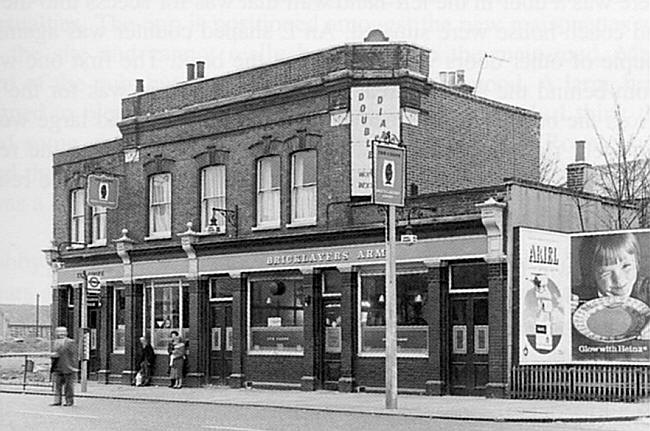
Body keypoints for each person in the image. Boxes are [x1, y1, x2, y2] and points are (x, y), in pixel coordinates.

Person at [572, 233, 650, 338]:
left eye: (626, 266)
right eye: (606, 273)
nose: (619, 280)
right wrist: (566, 312)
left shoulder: (646, 288)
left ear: (636, 262)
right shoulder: (580, 298)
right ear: (591, 275)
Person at [50, 326, 78, 406]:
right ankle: (57, 401)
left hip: (68, 366)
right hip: (57, 366)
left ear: (66, 333)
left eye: (63, 332)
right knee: (57, 385)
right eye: (59, 332)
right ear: (56, 333)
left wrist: (74, 366)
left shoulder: (70, 342)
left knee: (68, 386)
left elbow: (74, 355)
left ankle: (69, 401)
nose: (61, 334)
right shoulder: (55, 342)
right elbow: (55, 352)